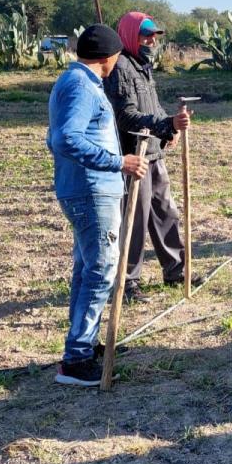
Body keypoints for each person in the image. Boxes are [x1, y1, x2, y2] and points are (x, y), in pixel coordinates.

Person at [46, 24, 148, 387]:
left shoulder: (74, 83)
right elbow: (64, 139)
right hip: (91, 192)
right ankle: (76, 360)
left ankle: (83, 345)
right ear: (108, 58)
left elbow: (55, 138)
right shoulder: (80, 87)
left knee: (87, 269)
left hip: (85, 189)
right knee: (101, 270)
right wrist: (118, 162)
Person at [103, 12, 192, 304]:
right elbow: (125, 115)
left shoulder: (143, 66)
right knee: (135, 221)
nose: (152, 40)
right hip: (134, 155)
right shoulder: (120, 68)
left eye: (154, 35)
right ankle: (127, 283)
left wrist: (168, 131)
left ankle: (176, 270)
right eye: (146, 35)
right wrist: (165, 124)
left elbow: (149, 106)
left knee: (166, 213)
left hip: (153, 152)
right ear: (130, 35)